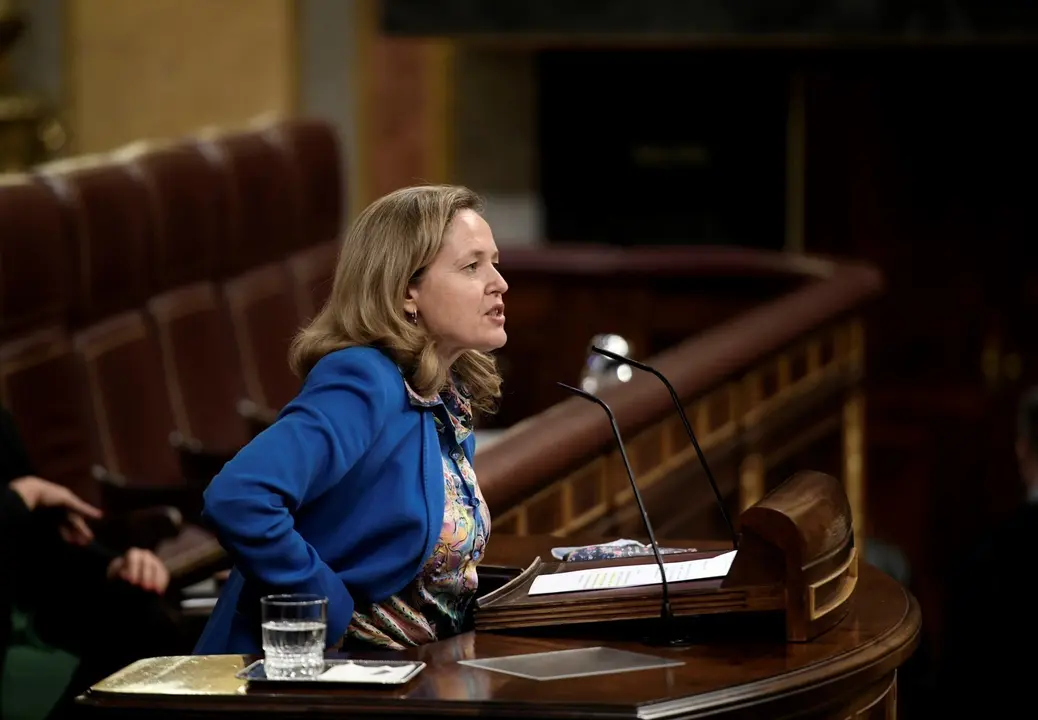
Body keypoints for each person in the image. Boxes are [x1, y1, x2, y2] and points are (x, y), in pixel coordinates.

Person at [194, 184, 508, 654]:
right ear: (407, 292)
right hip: (311, 680)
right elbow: (239, 496)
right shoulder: (363, 379)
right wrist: (324, 606)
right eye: (471, 267)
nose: (498, 283)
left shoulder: (441, 394)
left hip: (412, 672)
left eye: (495, 263)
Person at [0, 405, 182, 718]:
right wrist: (25, 494)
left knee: (141, 612)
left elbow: (41, 546)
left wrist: (115, 566)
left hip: (36, 617)